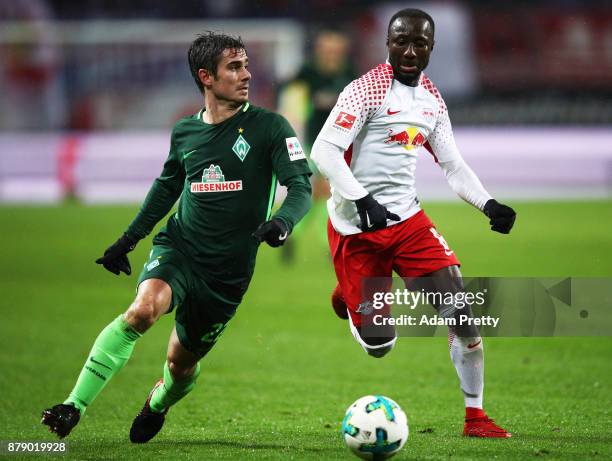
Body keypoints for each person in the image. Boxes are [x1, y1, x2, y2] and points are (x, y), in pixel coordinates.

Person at [41, 31, 312, 443]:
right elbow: (167, 187)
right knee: (142, 311)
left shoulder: (270, 127)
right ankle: (72, 406)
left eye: (245, 65)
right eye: (234, 67)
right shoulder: (185, 131)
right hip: (180, 247)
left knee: (180, 366)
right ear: (206, 76)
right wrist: (128, 240)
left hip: (228, 273)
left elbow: (302, 187)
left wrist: (283, 222)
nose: (247, 74)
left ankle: (158, 402)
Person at [310, 9, 516, 438]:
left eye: (419, 43)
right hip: (356, 228)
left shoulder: (432, 101)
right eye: (400, 40)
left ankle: (475, 418)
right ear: (387, 42)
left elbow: (453, 164)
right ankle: (352, 302)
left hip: (407, 222)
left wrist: (488, 203)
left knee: (462, 315)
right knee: (379, 345)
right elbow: (324, 153)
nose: (408, 50)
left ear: (430, 48)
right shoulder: (365, 90)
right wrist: (361, 198)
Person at [277, 29, 357, 263]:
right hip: (316, 142)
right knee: (328, 191)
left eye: (336, 49)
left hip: (342, 141)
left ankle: (289, 229)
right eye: (327, 49)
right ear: (320, 50)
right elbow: (285, 90)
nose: (332, 53)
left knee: (320, 194)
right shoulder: (308, 72)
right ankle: (330, 244)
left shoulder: (348, 73)